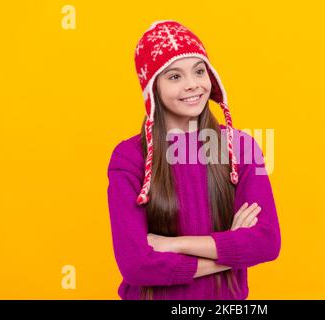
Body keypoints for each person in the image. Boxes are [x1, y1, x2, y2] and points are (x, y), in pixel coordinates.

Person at [107, 20, 281, 300]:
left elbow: (266, 243)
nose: (192, 85)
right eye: (174, 76)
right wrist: (229, 250)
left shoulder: (240, 148)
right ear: (152, 89)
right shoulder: (129, 158)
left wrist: (172, 245)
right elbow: (136, 265)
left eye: (199, 71)